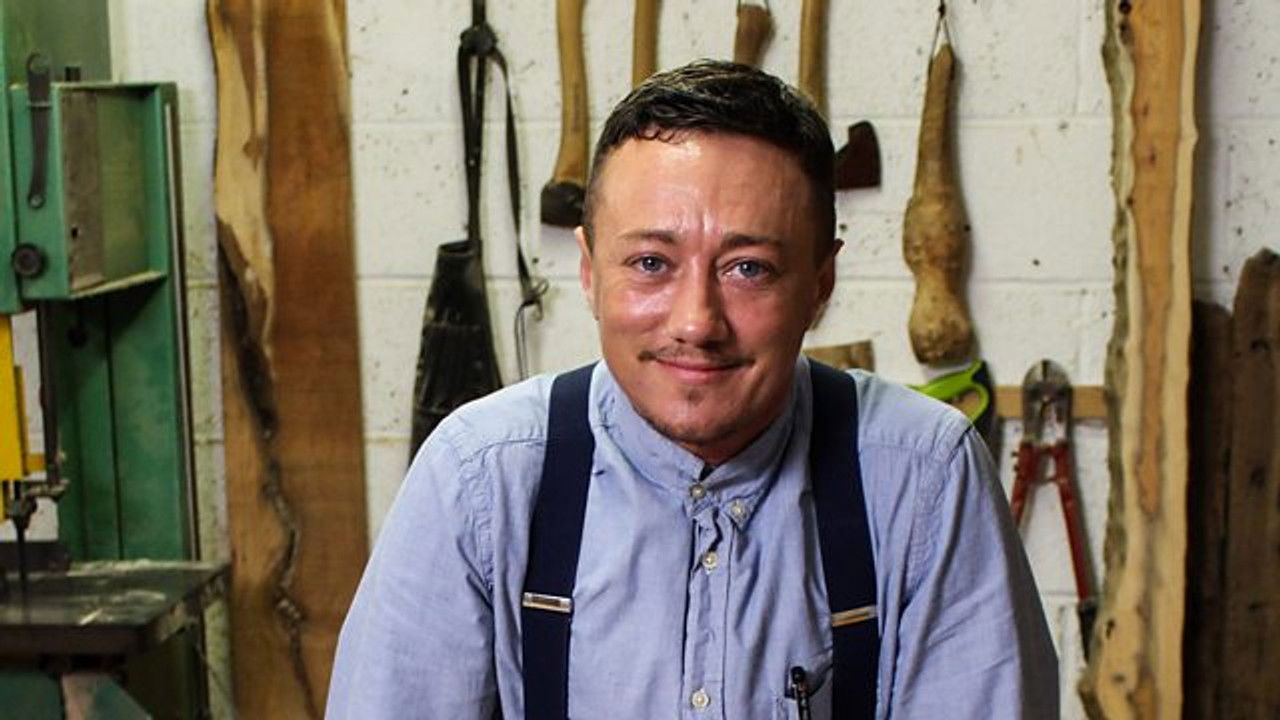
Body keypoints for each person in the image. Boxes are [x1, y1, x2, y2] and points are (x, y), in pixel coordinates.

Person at [327, 60, 1057, 719]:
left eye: (749, 269)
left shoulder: (925, 478)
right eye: (651, 262)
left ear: (821, 283)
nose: (696, 323)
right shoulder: (477, 478)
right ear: (588, 271)